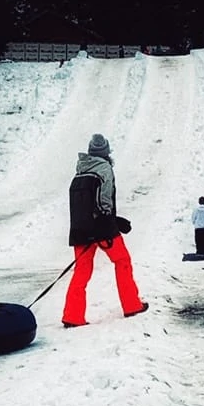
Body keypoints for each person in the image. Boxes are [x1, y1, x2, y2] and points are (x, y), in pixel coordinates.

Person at [62, 133, 147, 327]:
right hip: (102, 229)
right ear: (106, 152)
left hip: (80, 231)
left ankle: (72, 316)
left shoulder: (80, 172)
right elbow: (104, 201)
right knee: (122, 261)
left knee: (81, 271)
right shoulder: (104, 169)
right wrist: (112, 222)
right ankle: (132, 305)